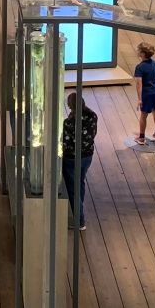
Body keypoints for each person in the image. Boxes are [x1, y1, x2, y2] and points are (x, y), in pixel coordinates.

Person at [61, 92, 98, 231]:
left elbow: (65, 141)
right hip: (87, 156)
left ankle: (79, 220)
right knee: (80, 182)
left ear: (70, 106)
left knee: (72, 188)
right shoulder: (92, 116)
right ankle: (80, 210)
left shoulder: (69, 123)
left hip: (71, 158)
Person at [133, 42, 155, 144]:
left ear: (142, 54)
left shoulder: (139, 67)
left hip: (147, 93)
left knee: (143, 115)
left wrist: (140, 99)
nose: (137, 51)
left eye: (138, 50)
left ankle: (141, 138)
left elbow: (139, 84)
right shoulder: (154, 62)